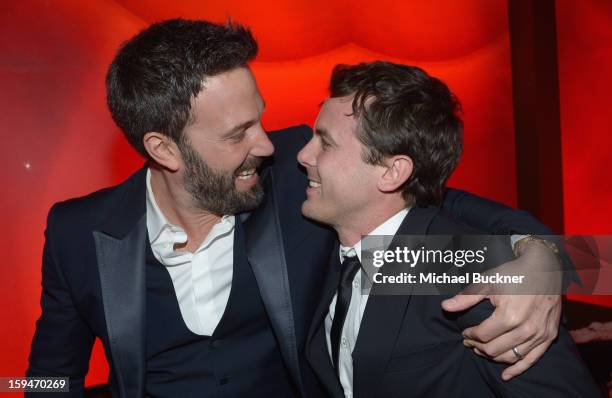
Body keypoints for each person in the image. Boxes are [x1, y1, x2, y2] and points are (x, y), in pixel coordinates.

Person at [27, 19, 573, 397]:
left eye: (259, 118)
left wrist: (543, 257)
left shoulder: (300, 179)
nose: (267, 144)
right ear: (163, 148)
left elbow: (431, 202)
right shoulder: (80, 231)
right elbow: (48, 377)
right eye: (239, 132)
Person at [300, 61, 600, 397]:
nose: (302, 155)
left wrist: (545, 254)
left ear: (392, 172)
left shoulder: (470, 269)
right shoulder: (324, 234)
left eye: (324, 143)